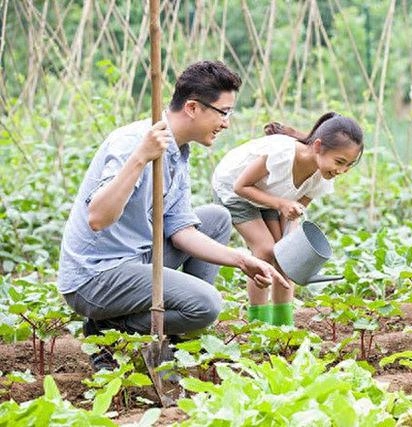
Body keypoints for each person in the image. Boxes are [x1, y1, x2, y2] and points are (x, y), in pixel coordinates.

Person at [58, 60, 288, 369]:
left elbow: (182, 231)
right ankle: (109, 331)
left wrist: (239, 258)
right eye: (224, 112)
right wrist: (141, 158)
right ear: (193, 107)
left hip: (137, 260)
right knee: (206, 305)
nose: (227, 123)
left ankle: (178, 334)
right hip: (97, 277)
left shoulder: (178, 152)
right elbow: (98, 218)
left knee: (215, 219)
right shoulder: (134, 143)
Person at [212, 112, 364, 326]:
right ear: (318, 146)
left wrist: (290, 247)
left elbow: (294, 213)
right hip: (234, 189)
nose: (342, 170)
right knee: (264, 251)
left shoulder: (321, 177)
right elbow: (241, 186)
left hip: (271, 196)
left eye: (348, 165)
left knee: (285, 256)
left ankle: (283, 325)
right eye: (340, 161)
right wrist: (280, 204)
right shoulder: (283, 154)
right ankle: (258, 323)